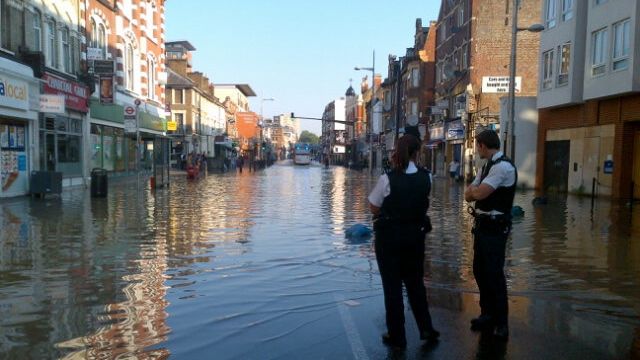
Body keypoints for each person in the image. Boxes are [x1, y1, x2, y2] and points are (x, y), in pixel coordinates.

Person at [368, 134, 439, 350]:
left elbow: (373, 206)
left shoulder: (387, 179)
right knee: (416, 285)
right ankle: (426, 328)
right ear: (418, 153)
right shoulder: (428, 177)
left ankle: (397, 336)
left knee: (393, 288)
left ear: (396, 153)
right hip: (415, 239)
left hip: (389, 240)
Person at [464, 129, 517, 341]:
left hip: (495, 227)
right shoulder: (487, 166)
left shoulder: (502, 167)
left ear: (483, 146)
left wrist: (473, 191)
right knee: (479, 270)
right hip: (483, 225)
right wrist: (472, 191)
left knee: (494, 275)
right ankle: (487, 314)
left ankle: (501, 323)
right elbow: (470, 193)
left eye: (478, 145)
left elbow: (479, 193)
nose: (477, 149)